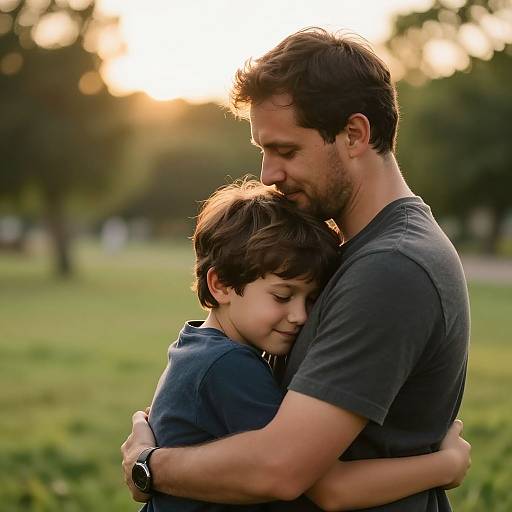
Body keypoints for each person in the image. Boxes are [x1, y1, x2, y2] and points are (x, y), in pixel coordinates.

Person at [122, 28, 471, 511]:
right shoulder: (349, 252)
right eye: (263, 151)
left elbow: (281, 468)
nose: (267, 175)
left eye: (286, 151)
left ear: (354, 134)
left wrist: (149, 463)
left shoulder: (391, 266)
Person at [137, 180, 469, 512]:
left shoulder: (194, 346)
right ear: (221, 285)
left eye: (311, 300)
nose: (299, 316)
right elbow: (323, 485)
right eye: (282, 296)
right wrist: (445, 465)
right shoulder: (229, 366)